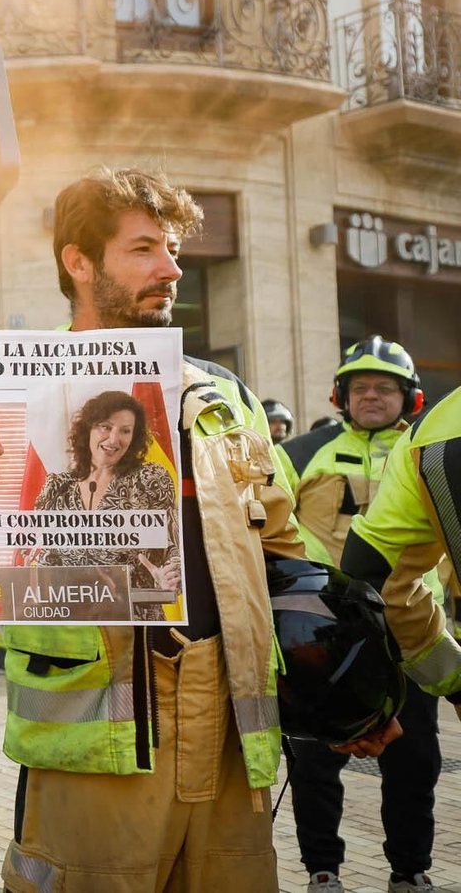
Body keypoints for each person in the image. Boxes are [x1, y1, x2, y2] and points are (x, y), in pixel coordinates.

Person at [0, 166, 396, 893]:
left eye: (173, 250)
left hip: (232, 738)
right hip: (97, 745)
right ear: (78, 261)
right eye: (144, 249)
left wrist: (347, 695)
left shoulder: (226, 396)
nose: (172, 269)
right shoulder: (7, 391)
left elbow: (283, 557)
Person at [284, 338, 441, 893]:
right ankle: (322, 871)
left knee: (415, 764)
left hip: (411, 636)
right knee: (314, 766)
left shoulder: (430, 453)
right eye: (360, 388)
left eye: (385, 388)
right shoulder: (303, 452)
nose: (371, 396)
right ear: (339, 397)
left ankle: (410, 871)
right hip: (322, 639)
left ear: (411, 398)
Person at [31, 390, 180, 619]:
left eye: (125, 431)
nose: (113, 439)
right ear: (88, 429)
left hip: (135, 623)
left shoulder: (149, 480)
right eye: (105, 427)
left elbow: (173, 547)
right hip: (73, 624)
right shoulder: (58, 487)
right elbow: (45, 560)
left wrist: (170, 576)